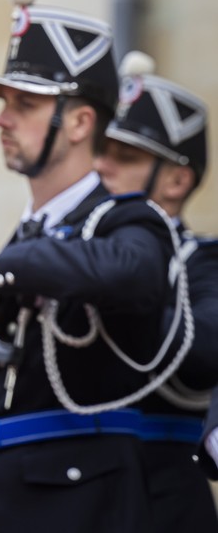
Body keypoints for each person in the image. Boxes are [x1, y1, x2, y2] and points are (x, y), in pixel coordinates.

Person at [0, 0, 183, 533]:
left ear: (79, 123)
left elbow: (136, 273)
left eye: (24, 104)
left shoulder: (124, 219)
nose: (1, 121)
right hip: (7, 496)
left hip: (84, 504)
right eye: (5, 104)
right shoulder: (32, 233)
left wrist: (2, 269)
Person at [95, 51, 218, 530]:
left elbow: (206, 346)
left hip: (161, 498)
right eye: (102, 152)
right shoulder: (72, 251)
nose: (103, 167)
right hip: (76, 494)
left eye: (126, 158)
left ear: (177, 179)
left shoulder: (206, 260)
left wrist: (103, 290)